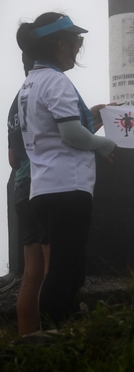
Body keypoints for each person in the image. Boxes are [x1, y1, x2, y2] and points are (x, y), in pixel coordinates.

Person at [16, 13, 116, 327]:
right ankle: (53, 337)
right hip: (68, 187)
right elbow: (71, 134)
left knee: (64, 269)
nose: (77, 49)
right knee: (65, 270)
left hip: (43, 188)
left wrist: (88, 120)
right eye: (76, 43)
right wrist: (104, 144)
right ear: (61, 45)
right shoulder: (56, 81)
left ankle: (55, 333)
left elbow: (52, 131)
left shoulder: (30, 84)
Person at [8, 53, 46, 335]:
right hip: (46, 185)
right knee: (54, 268)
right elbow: (63, 141)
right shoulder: (46, 92)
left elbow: (12, 159)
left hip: (21, 188)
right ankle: (52, 336)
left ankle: (26, 340)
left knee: (31, 272)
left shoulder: (17, 101)